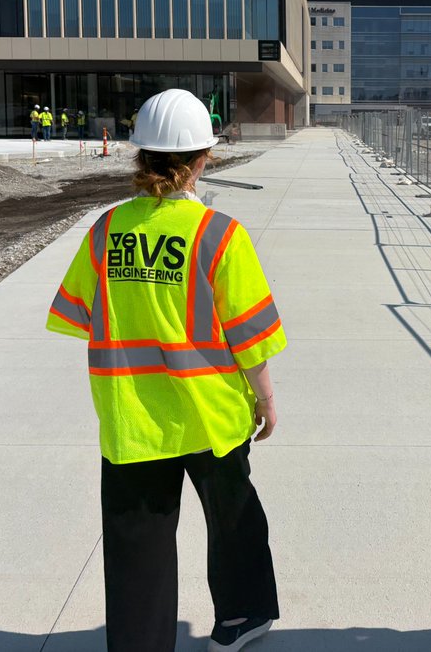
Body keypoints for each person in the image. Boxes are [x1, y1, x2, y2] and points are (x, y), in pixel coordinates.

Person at [46, 88, 285, 652]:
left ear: (139, 157)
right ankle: (239, 620)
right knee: (235, 521)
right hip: (211, 416)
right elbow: (250, 338)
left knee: (138, 543)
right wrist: (267, 401)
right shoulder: (220, 235)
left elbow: (79, 314)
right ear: (204, 159)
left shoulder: (106, 231)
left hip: (132, 415)